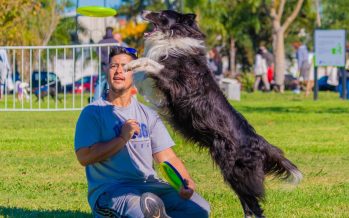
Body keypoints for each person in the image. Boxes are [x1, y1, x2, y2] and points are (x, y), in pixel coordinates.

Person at [74, 47, 210, 218]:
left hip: (150, 187)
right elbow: (84, 157)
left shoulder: (148, 115)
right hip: (112, 191)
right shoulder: (93, 113)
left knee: (200, 209)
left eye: (126, 67)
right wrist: (122, 138)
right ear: (107, 71)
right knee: (139, 211)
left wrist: (185, 180)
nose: (119, 71)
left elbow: (167, 157)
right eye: (113, 66)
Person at [93, 27, 119, 102]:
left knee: (100, 83)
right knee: (110, 83)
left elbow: (99, 54)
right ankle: (109, 100)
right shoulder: (115, 42)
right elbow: (116, 54)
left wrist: (105, 60)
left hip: (103, 66)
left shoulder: (101, 42)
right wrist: (110, 61)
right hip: (112, 66)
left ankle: (95, 101)